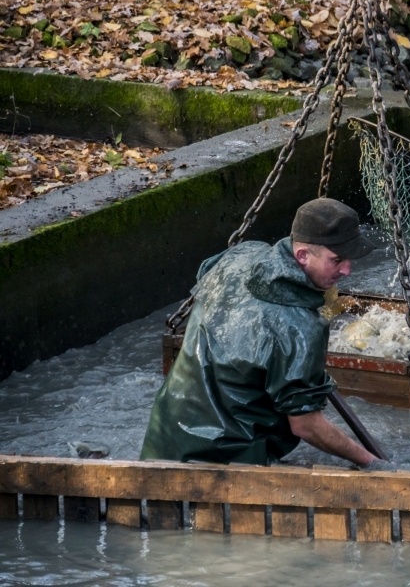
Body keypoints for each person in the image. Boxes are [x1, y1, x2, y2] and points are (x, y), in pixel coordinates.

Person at [140, 198, 389, 469]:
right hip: (221, 461)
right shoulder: (300, 327)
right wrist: (371, 463)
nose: (347, 270)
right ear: (302, 256)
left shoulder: (240, 255)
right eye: (337, 260)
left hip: (163, 439)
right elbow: (306, 425)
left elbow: (206, 273)